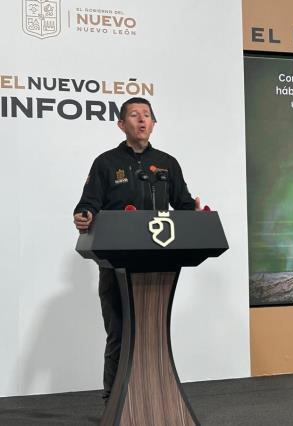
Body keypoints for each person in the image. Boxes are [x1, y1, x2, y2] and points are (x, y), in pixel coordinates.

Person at [73, 97, 203, 402]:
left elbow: (182, 204)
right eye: (134, 115)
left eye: (147, 115)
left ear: (154, 124)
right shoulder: (105, 163)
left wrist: (194, 214)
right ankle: (114, 400)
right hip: (115, 261)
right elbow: (88, 202)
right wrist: (84, 214)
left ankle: (155, 398)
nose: (142, 120)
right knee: (119, 332)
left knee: (151, 333)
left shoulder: (168, 164)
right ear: (121, 124)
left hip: (158, 262)